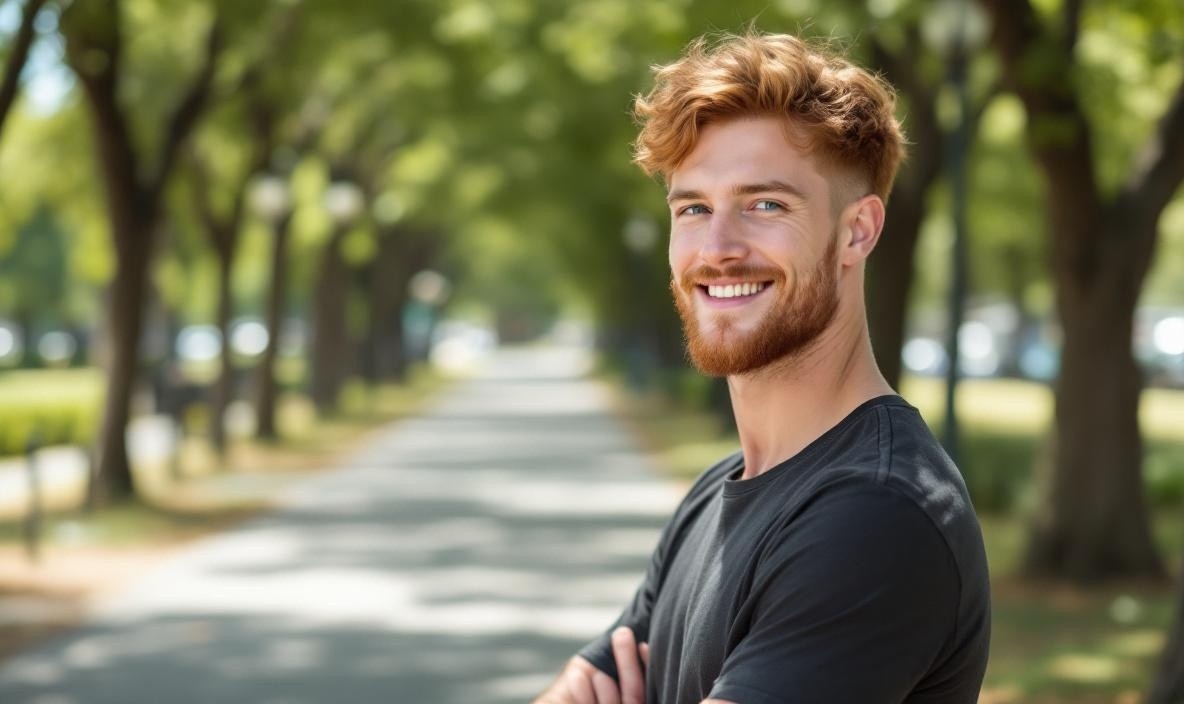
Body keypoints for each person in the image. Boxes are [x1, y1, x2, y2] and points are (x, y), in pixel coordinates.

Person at [533, 30, 991, 704]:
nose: (718, 249)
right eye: (694, 208)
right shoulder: (720, 489)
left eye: (765, 205)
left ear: (857, 231)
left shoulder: (876, 515)